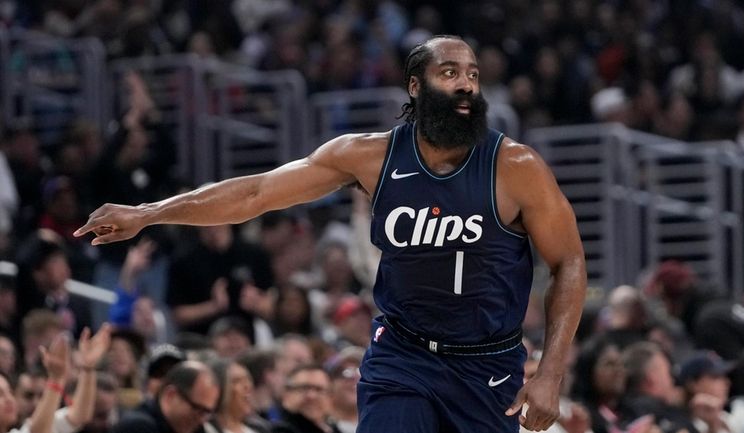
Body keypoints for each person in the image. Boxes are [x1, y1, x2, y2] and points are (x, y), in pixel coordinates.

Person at [74, 35, 587, 433]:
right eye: (449, 72)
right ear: (416, 87)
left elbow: (569, 263)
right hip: (403, 355)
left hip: (486, 364)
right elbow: (255, 194)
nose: (466, 85)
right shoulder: (369, 156)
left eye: (473, 74)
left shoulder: (515, 166)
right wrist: (149, 212)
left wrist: (551, 372)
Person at [110, 360, 221, 433]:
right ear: (170, 395)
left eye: (207, 412)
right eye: (197, 409)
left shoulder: (195, 427)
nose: (201, 420)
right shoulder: (138, 426)